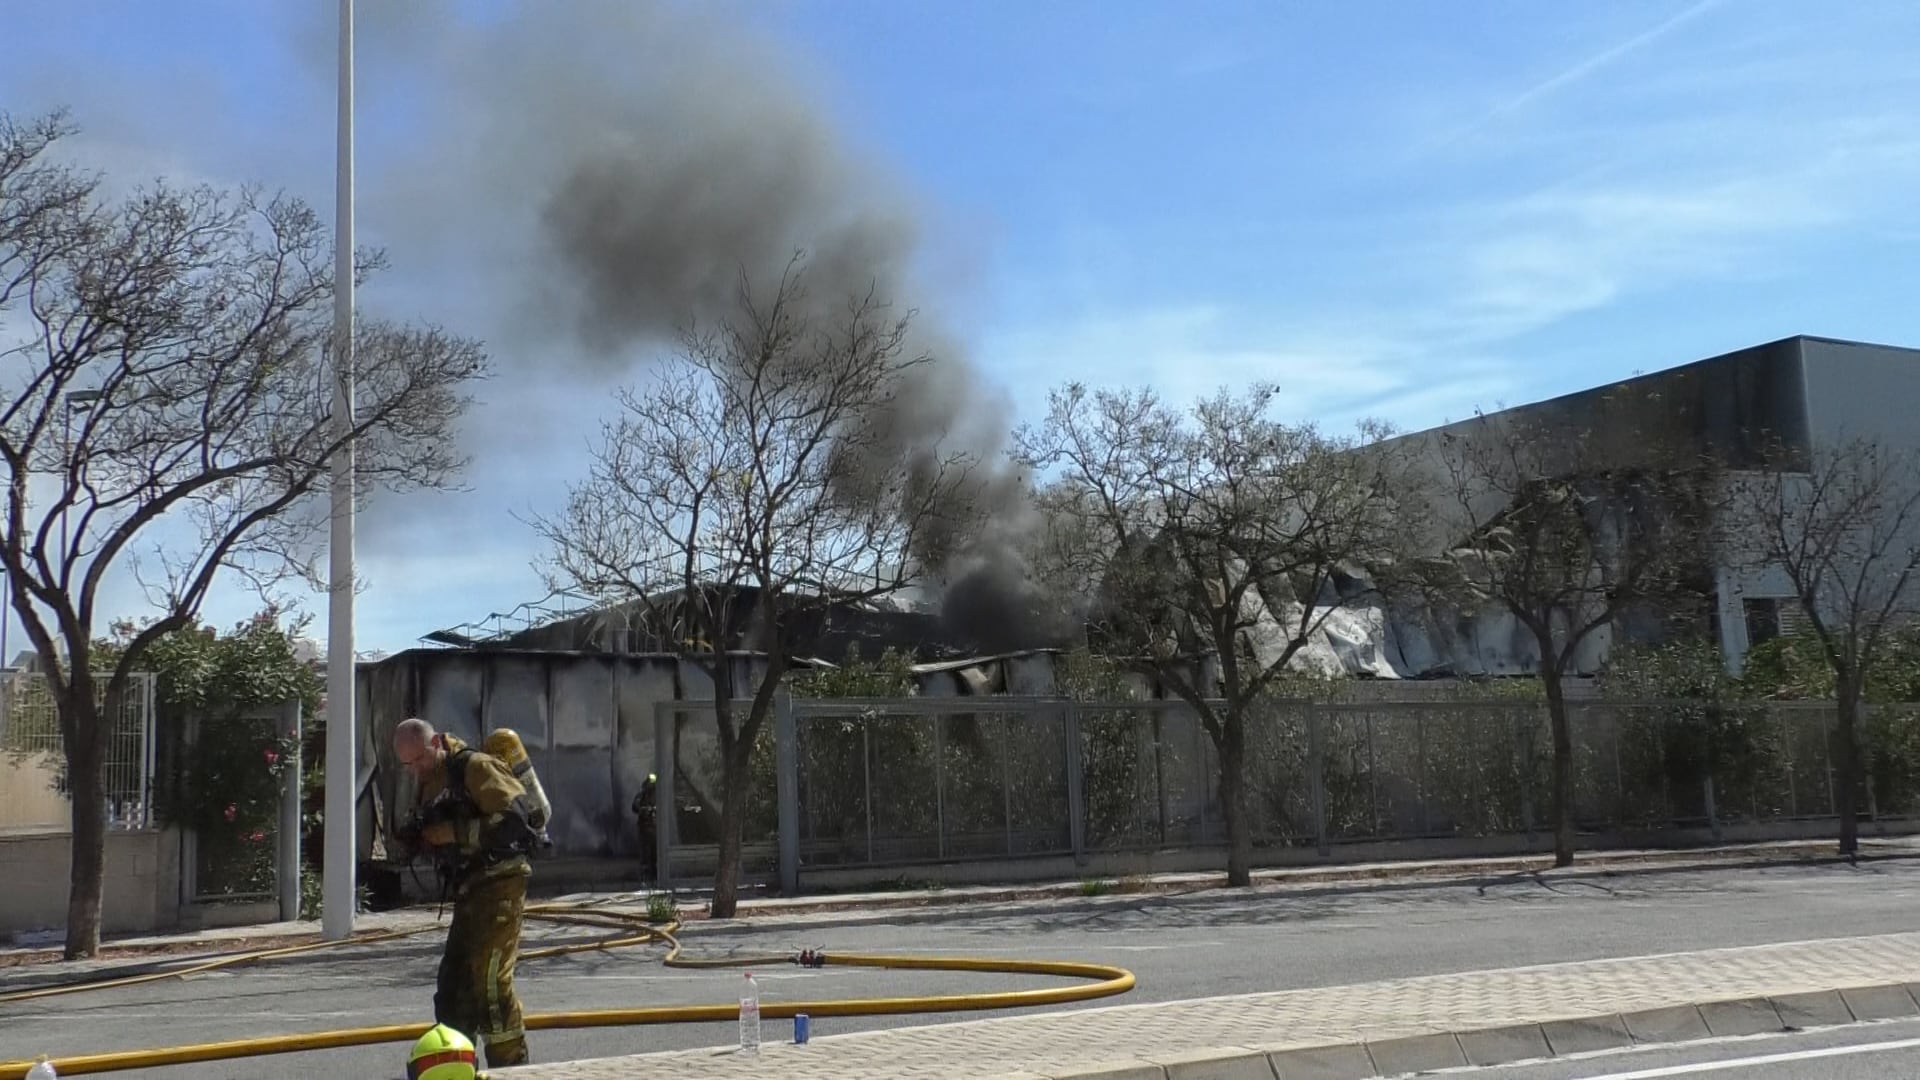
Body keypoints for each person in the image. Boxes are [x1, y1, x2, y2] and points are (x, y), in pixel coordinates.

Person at [394, 718, 538, 1069]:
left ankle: (512, 1069)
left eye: (421, 760)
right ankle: (455, 1066)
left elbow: (516, 822)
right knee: (454, 985)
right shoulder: (431, 781)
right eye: (408, 765)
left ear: (437, 743)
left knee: (488, 983)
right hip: (470, 888)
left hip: (500, 881)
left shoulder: (475, 767)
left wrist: (451, 832)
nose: (417, 771)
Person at [631, 772, 659, 884]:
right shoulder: (641, 796)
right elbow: (635, 807)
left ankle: (655, 878)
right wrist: (645, 810)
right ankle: (646, 879)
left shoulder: (658, 796)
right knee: (645, 856)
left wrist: (654, 810)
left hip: (655, 830)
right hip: (645, 829)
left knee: (655, 857)